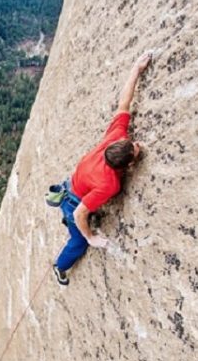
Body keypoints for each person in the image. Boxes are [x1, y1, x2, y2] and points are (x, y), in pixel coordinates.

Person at [53, 52, 151, 286]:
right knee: (78, 242)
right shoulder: (109, 184)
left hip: (74, 185)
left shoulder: (115, 136)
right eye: (135, 149)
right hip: (74, 204)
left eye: (133, 144)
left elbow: (124, 103)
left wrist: (136, 69)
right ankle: (60, 267)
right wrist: (91, 237)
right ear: (127, 165)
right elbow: (79, 214)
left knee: (83, 211)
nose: (137, 144)